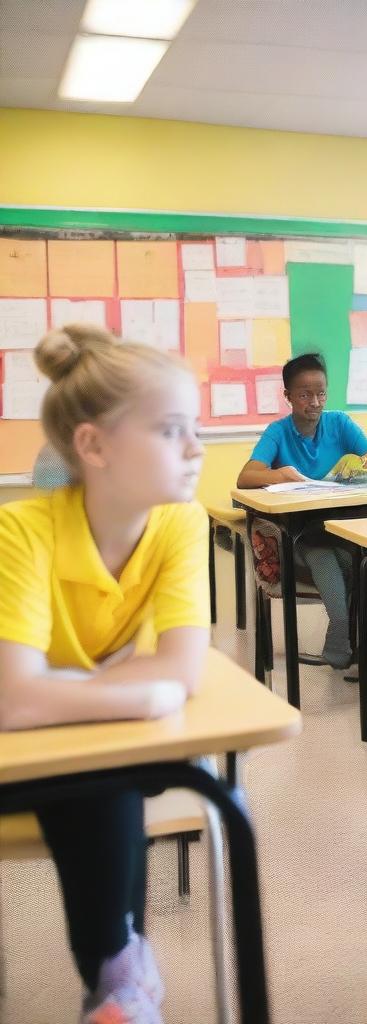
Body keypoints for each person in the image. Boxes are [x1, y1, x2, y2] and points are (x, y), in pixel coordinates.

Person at [0, 323, 210, 1023]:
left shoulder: (180, 523)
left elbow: (180, 671)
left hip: (63, 745)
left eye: (196, 428)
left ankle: (116, 983)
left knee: (101, 766)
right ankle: (120, 975)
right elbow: (10, 699)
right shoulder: (23, 531)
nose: (196, 449)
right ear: (93, 446)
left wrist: (58, 695)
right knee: (106, 768)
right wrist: (134, 692)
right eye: (171, 430)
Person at [236, 352, 367, 669]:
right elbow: (246, 477)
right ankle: (339, 648)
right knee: (331, 570)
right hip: (299, 535)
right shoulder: (278, 432)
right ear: (288, 396)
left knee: (361, 564)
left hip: (337, 529)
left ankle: (344, 649)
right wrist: (281, 474)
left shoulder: (339, 423)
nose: (315, 402)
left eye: (321, 393)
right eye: (304, 394)